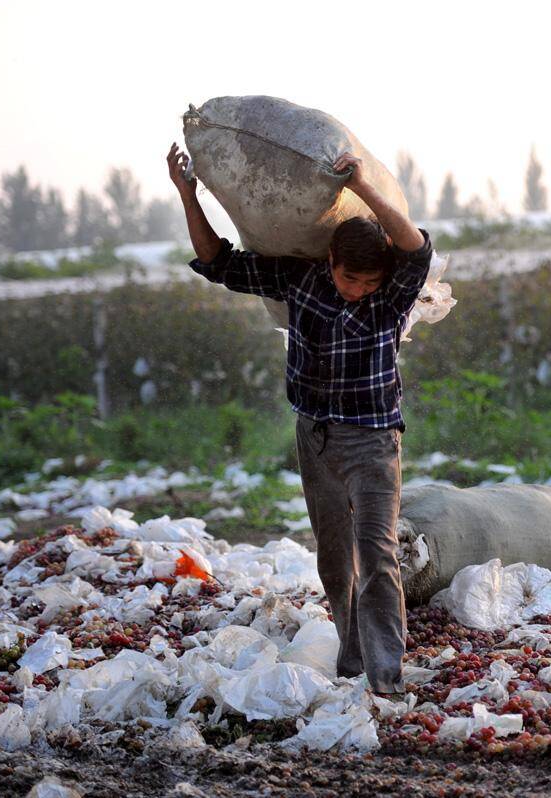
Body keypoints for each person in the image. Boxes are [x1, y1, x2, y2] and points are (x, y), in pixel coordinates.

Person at [166, 142, 433, 696]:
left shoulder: (391, 297)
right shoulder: (301, 281)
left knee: (379, 554)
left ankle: (386, 678)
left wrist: (360, 187)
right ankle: (352, 662)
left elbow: (415, 248)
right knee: (335, 560)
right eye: (349, 279)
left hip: (372, 439)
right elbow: (218, 262)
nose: (359, 291)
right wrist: (188, 194)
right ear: (329, 263)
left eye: (368, 282)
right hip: (314, 436)